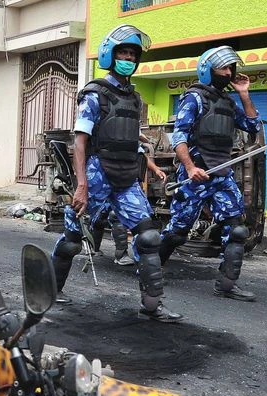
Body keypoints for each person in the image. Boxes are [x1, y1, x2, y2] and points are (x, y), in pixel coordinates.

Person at [50, 24, 182, 322]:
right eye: (124, 52)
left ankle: (152, 305)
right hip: (98, 174)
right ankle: (50, 290)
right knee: (72, 238)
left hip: (126, 178)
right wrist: (81, 184)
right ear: (111, 55)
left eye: (134, 54)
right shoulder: (96, 94)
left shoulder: (134, 99)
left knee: (149, 236)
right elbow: (80, 141)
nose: (129, 59)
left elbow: (129, 136)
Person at [159, 46, 260, 302]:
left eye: (230, 68)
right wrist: (191, 168)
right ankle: (151, 269)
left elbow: (251, 125)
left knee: (236, 229)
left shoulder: (227, 102)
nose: (228, 73)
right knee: (178, 231)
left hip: (221, 173)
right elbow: (179, 137)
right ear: (207, 71)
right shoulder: (194, 98)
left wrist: (244, 94)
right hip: (196, 174)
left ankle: (226, 285)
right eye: (222, 69)